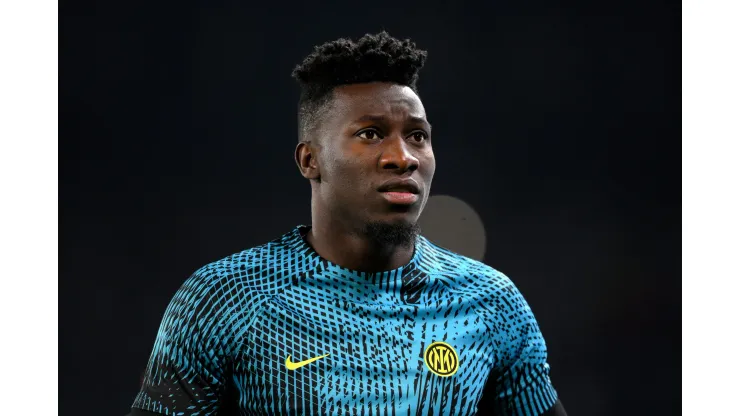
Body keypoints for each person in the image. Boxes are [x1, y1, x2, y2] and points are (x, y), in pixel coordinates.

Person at [129, 31, 568, 416]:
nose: (404, 157)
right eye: (371, 133)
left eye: (417, 135)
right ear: (310, 160)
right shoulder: (226, 299)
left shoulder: (489, 303)